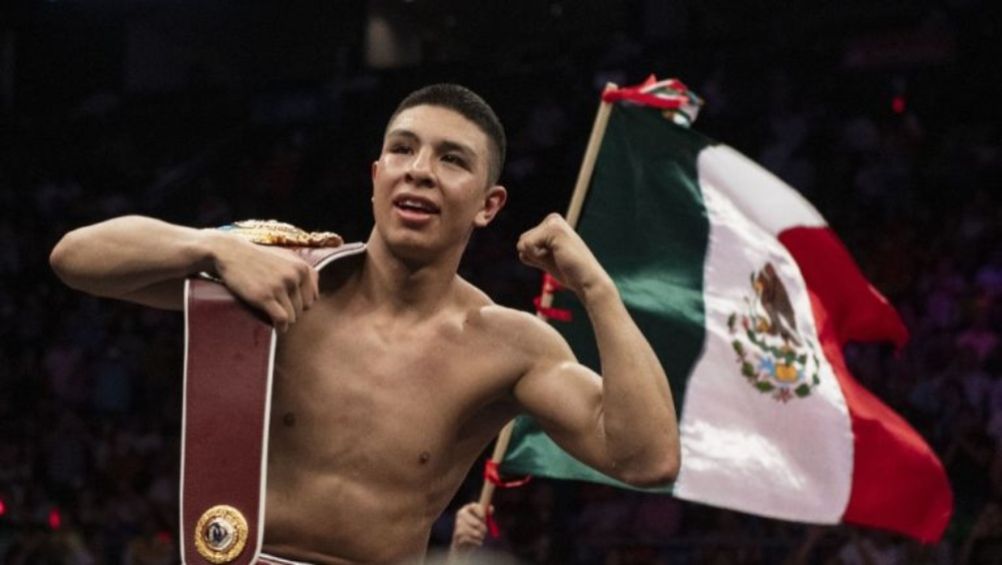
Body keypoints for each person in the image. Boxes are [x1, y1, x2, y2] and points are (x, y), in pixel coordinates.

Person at [49, 84, 680, 564]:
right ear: (376, 177)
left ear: (489, 206)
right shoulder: (286, 275)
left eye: (452, 159)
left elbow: (648, 458)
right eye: (402, 149)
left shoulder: (506, 346)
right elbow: (75, 259)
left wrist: (597, 288)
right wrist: (208, 248)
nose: (420, 169)